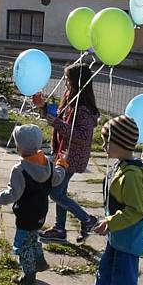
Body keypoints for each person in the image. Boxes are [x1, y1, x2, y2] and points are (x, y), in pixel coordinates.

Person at [66, 115, 143, 285]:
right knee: (105, 270)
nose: (104, 146)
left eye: (108, 142)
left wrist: (111, 221)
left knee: (125, 282)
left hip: (128, 238)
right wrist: (110, 223)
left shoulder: (131, 176)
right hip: (118, 236)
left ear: (122, 144)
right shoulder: (121, 166)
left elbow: (135, 210)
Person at [0, 124, 67, 285]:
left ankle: (29, 276)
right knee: (32, 237)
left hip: (26, 216)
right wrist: (61, 165)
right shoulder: (48, 163)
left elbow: (12, 195)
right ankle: (39, 262)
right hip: (41, 213)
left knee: (20, 246)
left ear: (19, 147)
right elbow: (57, 179)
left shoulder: (20, 170)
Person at [36, 63, 100, 243]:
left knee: (56, 194)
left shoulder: (83, 109)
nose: (65, 84)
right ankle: (59, 228)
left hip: (72, 157)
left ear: (79, 84)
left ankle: (87, 219)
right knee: (60, 191)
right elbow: (58, 115)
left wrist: (55, 122)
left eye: (68, 81)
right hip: (63, 153)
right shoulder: (70, 98)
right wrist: (43, 107)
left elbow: (83, 135)